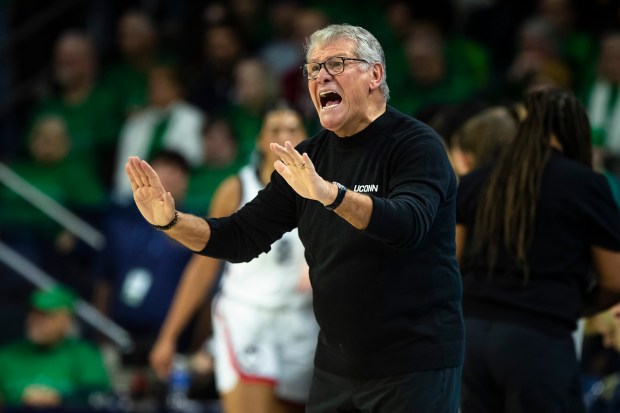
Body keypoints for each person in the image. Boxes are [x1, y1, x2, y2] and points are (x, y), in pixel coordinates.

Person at [126, 24, 463, 412]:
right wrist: (169, 221)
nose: (321, 76)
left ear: (376, 74)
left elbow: (408, 225)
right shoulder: (309, 156)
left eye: (336, 63)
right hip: (336, 365)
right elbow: (239, 236)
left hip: (412, 362)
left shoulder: (416, 145)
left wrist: (329, 194)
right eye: (313, 68)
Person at [455, 89, 620, 413]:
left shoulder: (475, 181)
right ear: (576, 130)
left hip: (471, 340)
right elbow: (614, 280)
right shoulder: (586, 185)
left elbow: (451, 264)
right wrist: (578, 307)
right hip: (538, 340)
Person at [150, 107, 318, 413]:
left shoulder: (322, 189)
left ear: (306, 138)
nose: (284, 137)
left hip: (302, 323)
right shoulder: (236, 188)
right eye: (275, 130)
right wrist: (169, 334)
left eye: (292, 130)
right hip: (247, 317)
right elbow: (203, 266)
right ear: (259, 140)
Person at [0, 285, 110, 409]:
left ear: (66, 321)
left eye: (45, 315)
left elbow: (96, 397)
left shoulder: (84, 354)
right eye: (33, 312)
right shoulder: (7, 354)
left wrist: (58, 398)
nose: (35, 320)